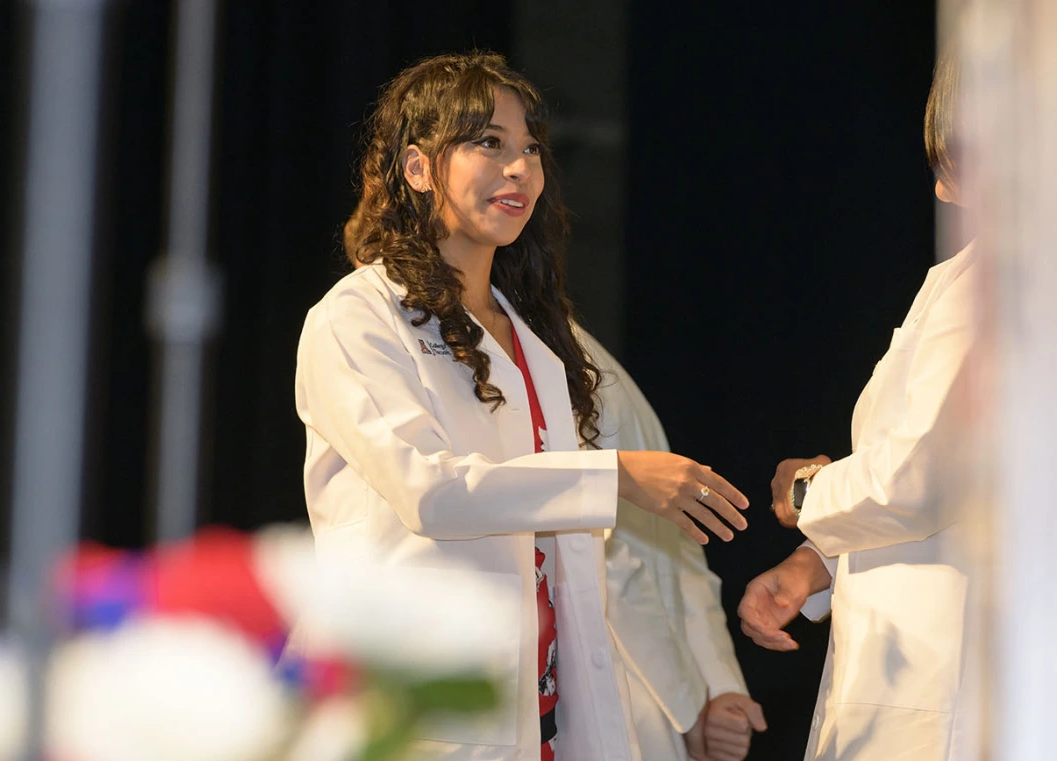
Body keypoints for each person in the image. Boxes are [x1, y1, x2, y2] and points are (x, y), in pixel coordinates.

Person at [296, 52, 750, 761]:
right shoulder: (356, 318)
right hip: (414, 716)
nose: (519, 168)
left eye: (530, 149)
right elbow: (431, 492)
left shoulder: (536, 341)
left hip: (542, 719)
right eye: (489, 143)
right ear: (417, 168)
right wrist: (616, 477)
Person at [341, 211, 765, 761]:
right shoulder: (366, 329)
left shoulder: (550, 352)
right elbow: (434, 495)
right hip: (504, 679)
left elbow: (674, 538)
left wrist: (716, 685)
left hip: (618, 679)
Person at [737, 50, 977, 761]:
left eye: (952, 158)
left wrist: (806, 492)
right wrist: (819, 560)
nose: (938, 190)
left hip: (955, 692)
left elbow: (921, 477)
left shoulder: (1006, 279)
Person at [583, 331, 767, 761]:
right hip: (613, 689)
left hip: (641, 697)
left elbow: (677, 541)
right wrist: (698, 699)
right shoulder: (519, 344)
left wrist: (716, 689)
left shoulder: (566, 347)